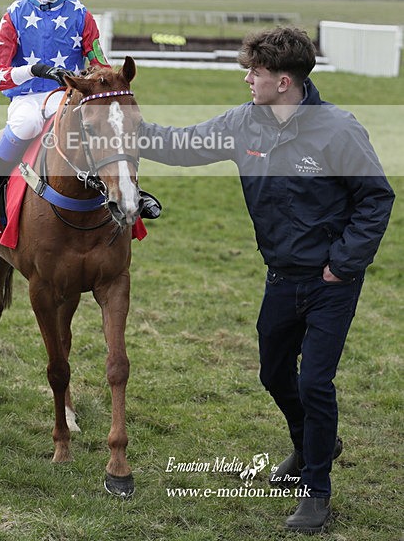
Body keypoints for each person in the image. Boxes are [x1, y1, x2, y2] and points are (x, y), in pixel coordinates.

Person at [138, 26, 394, 533]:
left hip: (331, 282)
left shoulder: (338, 129)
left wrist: (344, 262)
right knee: (274, 374)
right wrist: (126, 127)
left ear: (283, 81)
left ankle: (316, 490)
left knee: (314, 382)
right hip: (281, 276)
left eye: (255, 72)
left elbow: (376, 198)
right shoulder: (242, 123)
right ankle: (312, 444)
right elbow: (182, 145)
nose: (247, 79)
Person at [0, 0, 160, 236]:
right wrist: (34, 70)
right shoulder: (14, 14)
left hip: (69, 95)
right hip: (27, 98)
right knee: (25, 125)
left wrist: (109, 82)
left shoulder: (81, 13)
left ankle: (130, 191)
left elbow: (98, 63)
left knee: (109, 124)